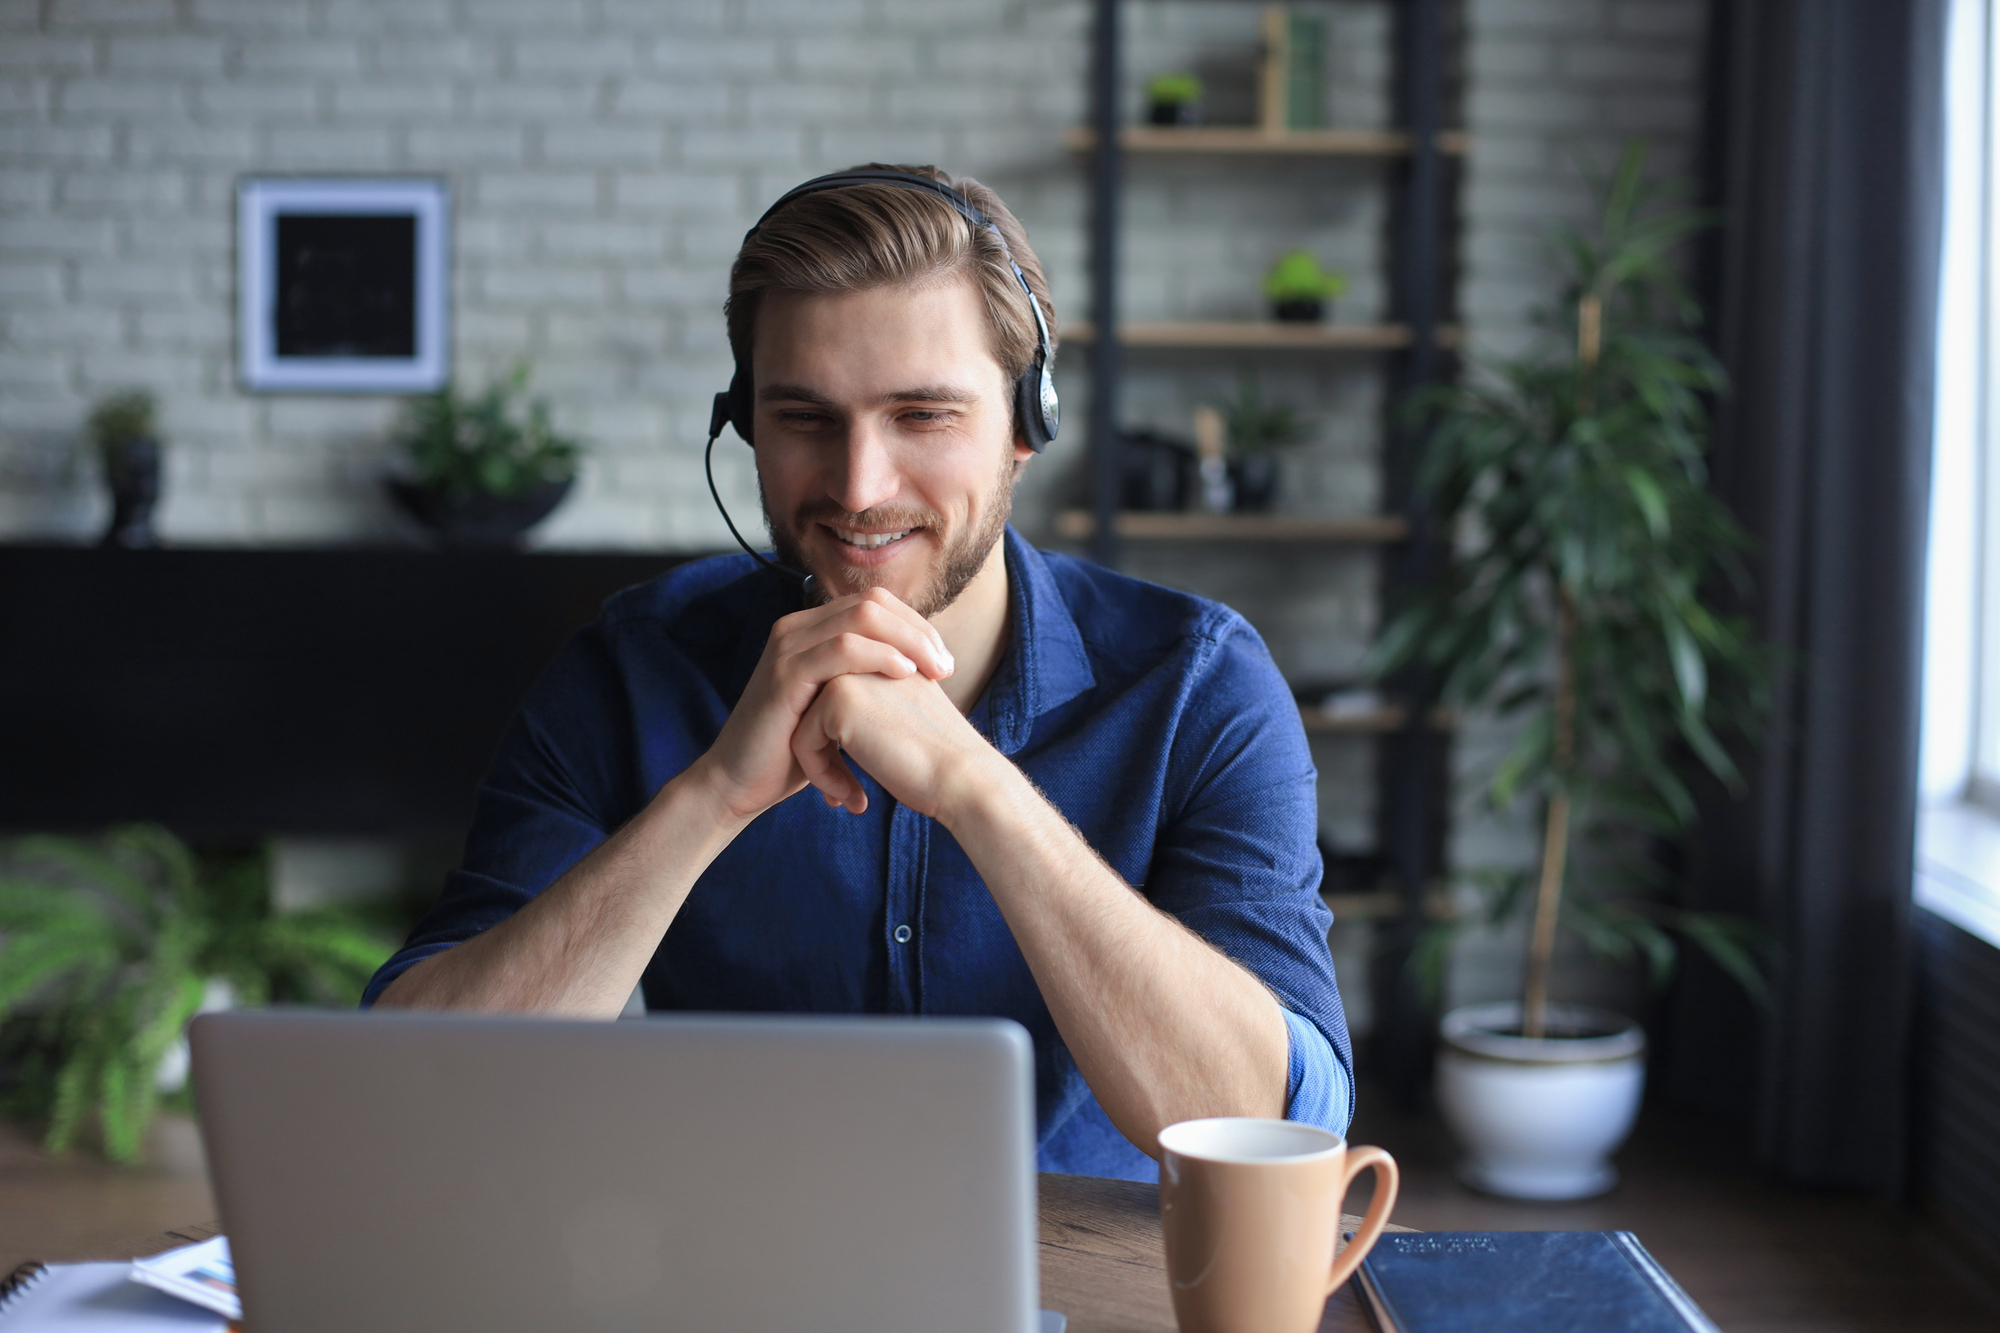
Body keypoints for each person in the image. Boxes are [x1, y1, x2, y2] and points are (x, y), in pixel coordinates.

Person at [366, 165, 1352, 1182]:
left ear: (1027, 424)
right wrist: (709, 799)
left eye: (920, 415)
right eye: (803, 417)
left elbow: (1278, 1125)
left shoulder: (1197, 685)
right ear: (745, 421)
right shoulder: (631, 671)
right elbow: (411, 1089)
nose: (857, 487)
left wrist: (978, 794)